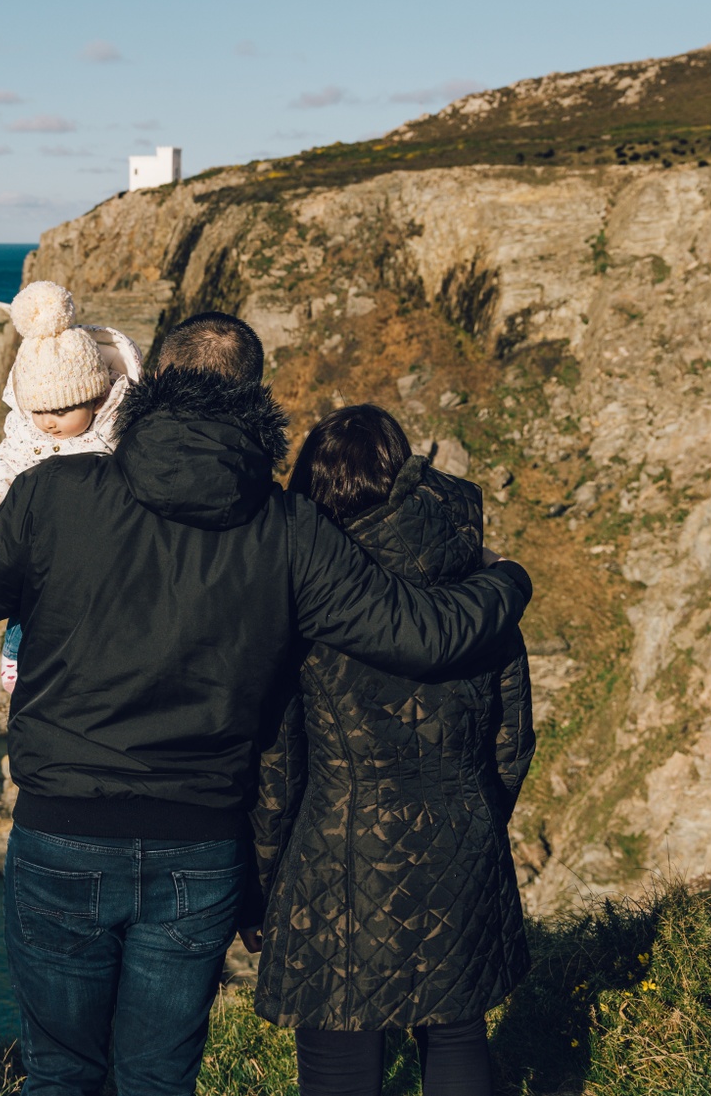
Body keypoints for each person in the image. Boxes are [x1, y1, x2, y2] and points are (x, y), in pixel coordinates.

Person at [0, 312, 532, 1096]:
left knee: (61, 1073)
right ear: (255, 397)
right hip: (198, 844)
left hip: (64, 829)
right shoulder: (290, 528)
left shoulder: (53, 491)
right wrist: (507, 579)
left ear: (152, 381)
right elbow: (420, 634)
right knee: (158, 1079)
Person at [249, 404, 534, 1096]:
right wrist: (475, 816)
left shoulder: (310, 599)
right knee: (458, 1036)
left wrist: (260, 886)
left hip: (337, 856)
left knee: (340, 1049)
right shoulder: (481, 589)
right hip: (461, 836)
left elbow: (278, 765)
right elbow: (512, 739)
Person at [0, 280, 142, 691]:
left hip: (101, 539)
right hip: (48, 541)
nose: (49, 422)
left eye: (62, 410)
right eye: (39, 410)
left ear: (96, 398)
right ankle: (14, 650)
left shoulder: (120, 425)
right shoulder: (28, 433)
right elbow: (1, 471)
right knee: (30, 592)